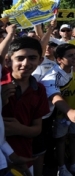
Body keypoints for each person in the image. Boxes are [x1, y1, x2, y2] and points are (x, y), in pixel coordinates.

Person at [2, 37, 50, 174]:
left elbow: (37, 129)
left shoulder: (39, 89)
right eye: (20, 58)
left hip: (24, 157)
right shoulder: (1, 84)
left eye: (32, 58)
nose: (26, 63)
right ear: (8, 60)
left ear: (40, 60)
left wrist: (19, 129)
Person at [53, 44, 75, 176]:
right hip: (60, 115)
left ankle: (74, 163)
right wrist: (67, 111)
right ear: (59, 59)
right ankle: (61, 168)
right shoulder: (54, 75)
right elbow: (53, 96)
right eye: (70, 55)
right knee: (60, 140)